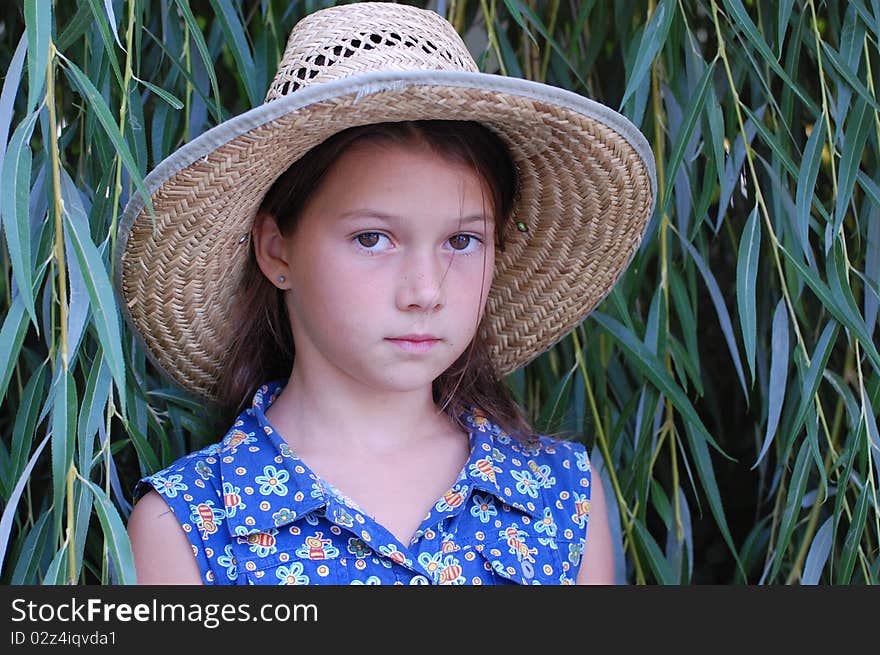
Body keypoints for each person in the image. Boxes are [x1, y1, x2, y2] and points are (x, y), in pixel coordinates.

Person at [121, 2, 656, 585]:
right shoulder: (188, 529)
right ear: (277, 251)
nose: (425, 292)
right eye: (373, 238)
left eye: (462, 240)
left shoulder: (562, 497)